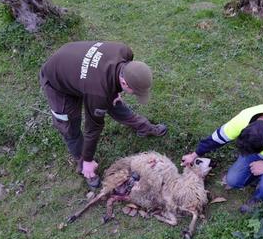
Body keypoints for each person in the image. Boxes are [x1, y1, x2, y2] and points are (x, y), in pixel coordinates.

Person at [39, 41, 167, 188]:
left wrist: (116, 91)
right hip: (57, 80)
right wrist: (88, 159)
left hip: (77, 65)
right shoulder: (98, 92)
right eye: (135, 91)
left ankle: (144, 127)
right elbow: (93, 127)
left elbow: (111, 85)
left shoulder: (124, 51)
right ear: (125, 82)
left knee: (113, 101)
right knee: (69, 127)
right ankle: (84, 166)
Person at [182, 104, 263, 213]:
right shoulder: (245, 118)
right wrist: (194, 155)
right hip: (257, 151)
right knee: (232, 180)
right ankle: (253, 177)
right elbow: (218, 138)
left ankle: (259, 199)